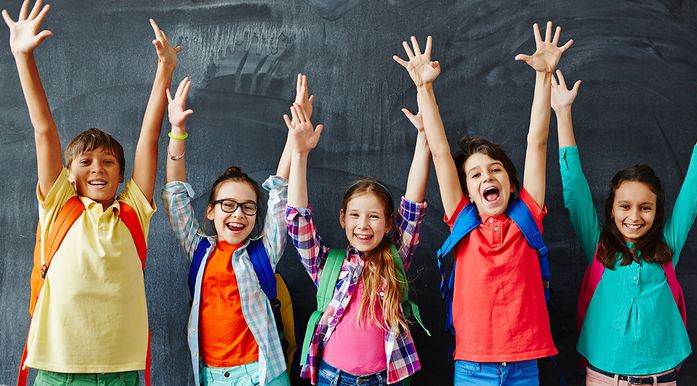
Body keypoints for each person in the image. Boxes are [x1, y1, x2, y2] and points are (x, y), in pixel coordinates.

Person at [3, 0, 179, 383]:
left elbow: (149, 138)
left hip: (121, 371)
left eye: (108, 162)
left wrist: (164, 71)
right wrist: (23, 57)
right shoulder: (59, 206)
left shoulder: (133, 209)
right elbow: (44, 129)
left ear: (121, 175)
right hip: (58, 369)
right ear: (68, 173)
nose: (97, 168)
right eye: (85, 162)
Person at [392, 22, 572, 385]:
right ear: (469, 192)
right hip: (473, 369)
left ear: (510, 182)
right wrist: (424, 87)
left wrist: (544, 77)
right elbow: (442, 155)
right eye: (475, 175)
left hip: (524, 368)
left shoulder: (527, 216)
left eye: (495, 170)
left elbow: (537, 142)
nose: (487, 177)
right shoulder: (462, 219)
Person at [552, 65, 697, 385]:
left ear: (657, 211)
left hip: (660, 379)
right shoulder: (598, 246)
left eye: (645, 207)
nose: (634, 216)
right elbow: (574, 186)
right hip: (604, 378)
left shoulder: (667, 248)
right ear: (610, 211)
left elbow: (694, 188)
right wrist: (563, 112)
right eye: (625, 206)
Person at [162, 75, 316, 385]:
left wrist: (293, 139)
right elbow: (175, 195)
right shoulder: (199, 250)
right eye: (227, 204)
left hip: (262, 372)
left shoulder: (264, 252)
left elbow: (279, 193)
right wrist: (177, 131)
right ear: (211, 210)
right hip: (210, 375)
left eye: (248, 206)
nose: (238, 214)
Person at [284, 93, 431, 385]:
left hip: (382, 379)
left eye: (374, 216)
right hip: (332, 378)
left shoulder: (396, 259)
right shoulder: (327, 265)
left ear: (389, 223)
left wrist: (425, 138)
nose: (363, 225)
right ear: (342, 218)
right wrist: (299, 156)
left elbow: (413, 208)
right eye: (355, 216)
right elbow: (298, 221)